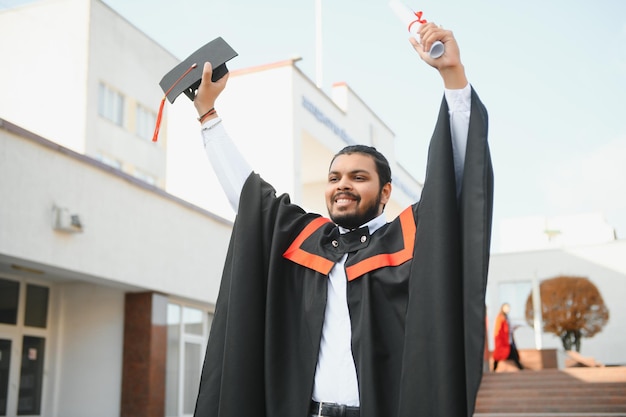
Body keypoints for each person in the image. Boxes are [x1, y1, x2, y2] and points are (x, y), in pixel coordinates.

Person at [191, 23, 493, 417]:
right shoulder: (305, 240)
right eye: (335, 178)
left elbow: (457, 185)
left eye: (359, 177)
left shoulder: (409, 241)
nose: (343, 186)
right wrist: (208, 115)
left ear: (386, 192)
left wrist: (453, 77)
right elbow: (249, 198)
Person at [493, 303, 525, 371]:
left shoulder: (507, 317)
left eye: (508, 308)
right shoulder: (500, 317)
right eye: (506, 307)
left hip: (508, 340)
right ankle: (521, 368)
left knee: (513, 355)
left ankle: (521, 368)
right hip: (503, 341)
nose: (508, 309)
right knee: (499, 356)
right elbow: (498, 330)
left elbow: (508, 328)